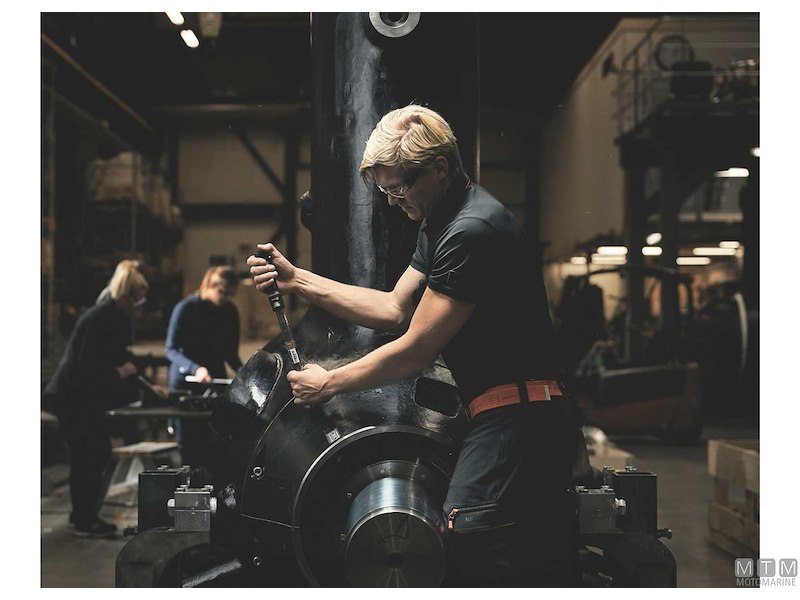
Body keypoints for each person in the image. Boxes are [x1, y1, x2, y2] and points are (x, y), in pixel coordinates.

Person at [248, 104, 581, 586]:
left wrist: (330, 383)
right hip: (502, 412)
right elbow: (392, 308)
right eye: (385, 191)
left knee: (469, 539)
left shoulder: (470, 231)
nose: (391, 201)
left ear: (439, 167)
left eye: (399, 188)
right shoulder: (441, 221)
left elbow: (416, 349)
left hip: (521, 416)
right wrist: (297, 279)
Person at [45, 260, 149, 537]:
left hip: (84, 397)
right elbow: (87, 366)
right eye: (137, 300)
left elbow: (121, 358)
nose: (139, 307)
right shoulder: (102, 317)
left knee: (95, 453)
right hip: (73, 397)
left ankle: (82, 515)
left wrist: (146, 386)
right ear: (126, 296)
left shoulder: (113, 315)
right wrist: (118, 373)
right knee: (88, 455)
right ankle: (84, 520)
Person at [165, 266, 243, 463]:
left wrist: (245, 373)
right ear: (208, 285)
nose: (225, 298)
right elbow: (171, 349)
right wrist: (195, 369)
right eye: (222, 292)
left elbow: (230, 354)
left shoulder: (229, 312)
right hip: (186, 382)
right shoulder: (186, 308)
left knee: (213, 443)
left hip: (213, 382)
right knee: (188, 445)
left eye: (230, 294)